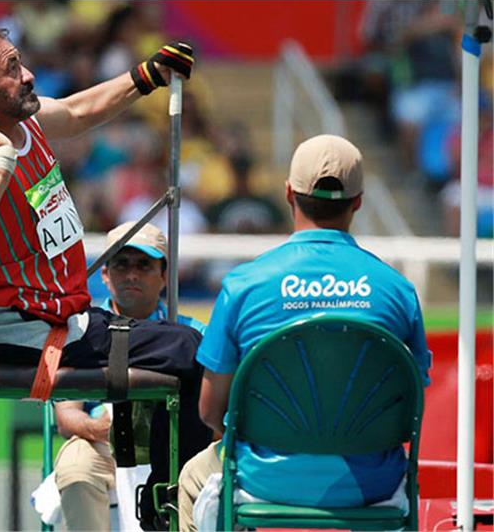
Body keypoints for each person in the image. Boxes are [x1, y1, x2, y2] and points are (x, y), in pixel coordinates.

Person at [0, 28, 209, 527]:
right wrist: (1, 163)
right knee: (192, 355)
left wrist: (145, 77)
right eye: (11, 68)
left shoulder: (23, 121)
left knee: (187, 349)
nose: (27, 74)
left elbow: (77, 112)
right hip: (30, 335)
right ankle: (170, 508)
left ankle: (160, 500)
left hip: (68, 318)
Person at [177, 135, 432, 531]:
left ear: (288, 193)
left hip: (265, 479)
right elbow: (411, 408)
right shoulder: (397, 290)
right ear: (359, 200)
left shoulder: (244, 285)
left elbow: (210, 410)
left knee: (193, 477)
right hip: (372, 485)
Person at [53, 222, 208, 531]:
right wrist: (97, 429)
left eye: (144, 265)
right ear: (105, 275)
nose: (132, 274)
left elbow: (214, 416)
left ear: (164, 276)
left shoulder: (194, 334)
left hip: (177, 449)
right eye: (121, 264)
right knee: (75, 470)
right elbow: (66, 417)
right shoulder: (80, 332)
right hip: (102, 443)